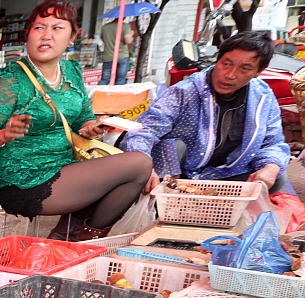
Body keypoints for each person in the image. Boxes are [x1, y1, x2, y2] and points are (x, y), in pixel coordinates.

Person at [0, 0, 153, 241]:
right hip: (23, 181)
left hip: (66, 168)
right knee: (139, 165)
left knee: (131, 174)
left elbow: (82, 118)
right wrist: (3, 135)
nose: (46, 35)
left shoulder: (72, 71)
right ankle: (76, 242)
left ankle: (66, 240)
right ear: (28, 34)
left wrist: (92, 127)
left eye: (57, 28)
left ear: (73, 36)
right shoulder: (9, 80)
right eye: (39, 27)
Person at [122, 32, 291, 195]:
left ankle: (220, 205)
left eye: (244, 68)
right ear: (217, 60)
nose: (230, 75)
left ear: (258, 71)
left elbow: (273, 143)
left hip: (223, 176)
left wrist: (271, 167)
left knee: (276, 175)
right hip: (175, 175)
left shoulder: (262, 97)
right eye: (226, 64)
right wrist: (143, 167)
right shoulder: (184, 91)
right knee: (173, 147)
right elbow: (143, 131)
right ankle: (166, 201)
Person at [98, 18, 134, 86]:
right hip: (122, 56)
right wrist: (131, 34)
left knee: (105, 79)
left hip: (108, 57)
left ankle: (97, 94)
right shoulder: (125, 26)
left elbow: (103, 39)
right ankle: (116, 96)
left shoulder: (105, 27)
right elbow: (128, 41)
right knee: (120, 80)